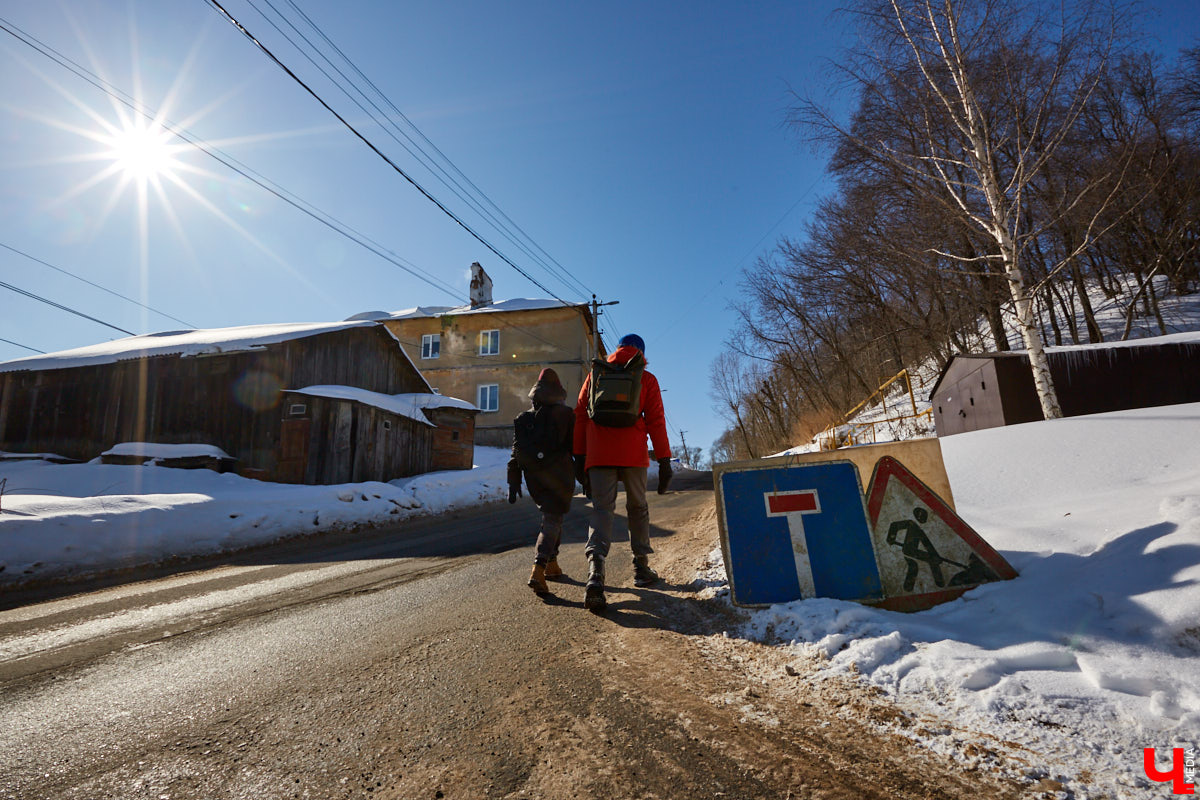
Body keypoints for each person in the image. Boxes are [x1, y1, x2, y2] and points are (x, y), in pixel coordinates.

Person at [573, 333, 672, 611]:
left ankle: (595, 573)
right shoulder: (646, 378)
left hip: (599, 453)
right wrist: (664, 460)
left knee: (602, 510)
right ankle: (641, 568)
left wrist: (579, 456)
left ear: (617, 349)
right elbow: (656, 420)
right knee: (637, 507)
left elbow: (581, 414)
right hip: (633, 454)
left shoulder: (596, 373)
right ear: (641, 353)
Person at [508, 368, 576, 594]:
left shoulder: (523, 419)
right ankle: (539, 567)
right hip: (560, 475)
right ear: (558, 391)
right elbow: (575, 448)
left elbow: (515, 453)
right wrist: (586, 476)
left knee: (551, 518)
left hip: (534, 477)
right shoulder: (567, 415)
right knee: (553, 518)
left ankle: (552, 565)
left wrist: (513, 479)